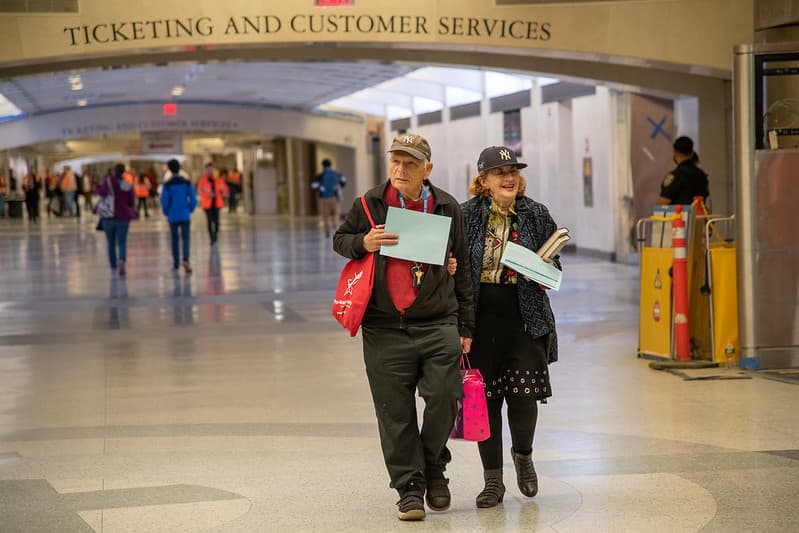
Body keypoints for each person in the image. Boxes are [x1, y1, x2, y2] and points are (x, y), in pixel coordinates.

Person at [333, 133, 474, 522]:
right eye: (396, 161)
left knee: (446, 396)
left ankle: (433, 466)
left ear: (427, 169)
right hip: (383, 326)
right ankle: (410, 489)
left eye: (410, 163)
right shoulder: (369, 203)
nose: (400, 169)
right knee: (394, 412)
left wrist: (467, 326)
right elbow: (339, 240)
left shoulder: (446, 207)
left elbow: (464, 270)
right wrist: (364, 241)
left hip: (437, 320)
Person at [460, 145, 562, 508]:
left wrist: (543, 270)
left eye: (514, 171)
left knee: (523, 396)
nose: (509, 177)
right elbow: (452, 263)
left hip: (524, 315)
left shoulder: (535, 213)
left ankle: (524, 457)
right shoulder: (466, 215)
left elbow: (555, 266)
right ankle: (492, 481)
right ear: (483, 181)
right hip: (479, 318)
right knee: (484, 401)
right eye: (500, 172)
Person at [95, 163, 138, 276]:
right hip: (123, 217)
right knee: (122, 241)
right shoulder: (127, 184)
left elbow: (101, 193)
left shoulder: (108, 182)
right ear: (124, 172)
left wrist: (98, 186)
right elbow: (131, 202)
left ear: (114, 171)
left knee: (111, 243)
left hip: (109, 216)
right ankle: (122, 260)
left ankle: (113, 266)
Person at [160, 159, 197, 275]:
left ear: (170, 169)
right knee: (186, 238)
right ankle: (185, 259)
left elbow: (164, 200)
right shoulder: (186, 182)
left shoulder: (167, 184)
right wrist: (190, 208)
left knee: (174, 239)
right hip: (185, 215)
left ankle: (176, 262)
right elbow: (193, 198)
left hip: (173, 216)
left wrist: (166, 212)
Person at [657, 136, 709, 206]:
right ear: (691, 153)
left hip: (679, 216)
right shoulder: (702, 175)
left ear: (675, 152)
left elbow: (663, 202)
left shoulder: (676, 176)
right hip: (700, 216)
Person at [311, 159, 347, 237]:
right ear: (330, 165)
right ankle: (336, 229)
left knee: (325, 216)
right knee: (336, 214)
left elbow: (314, 186)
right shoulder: (336, 174)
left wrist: (321, 189)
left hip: (323, 199)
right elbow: (343, 182)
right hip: (335, 197)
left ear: (322, 165)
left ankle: (327, 232)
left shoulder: (319, 176)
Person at [196, 163, 228, 245]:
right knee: (209, 221)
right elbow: (199, 191)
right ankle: (212, 238)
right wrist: (208, 194)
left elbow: (225, 190)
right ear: (206, 170)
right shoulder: (202, 181)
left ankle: (215, 235)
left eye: (211, 169)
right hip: (207, 204)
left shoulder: (218, 180)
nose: (210, 171)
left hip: (217, 204)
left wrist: (222, 194)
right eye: (208, 169)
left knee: (217, 221)